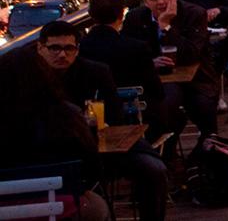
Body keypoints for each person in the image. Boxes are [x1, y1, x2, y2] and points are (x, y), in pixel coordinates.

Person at [34, 21, 171, 221]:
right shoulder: (29, 75)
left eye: (68, 48)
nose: (62, 55)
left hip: (103, 146)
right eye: (54, 48)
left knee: (154, 169)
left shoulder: (96, 72)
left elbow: (116, 118)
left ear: (77, 49)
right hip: (52, 153)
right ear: (40, 48)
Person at [0, 48, 110, 221]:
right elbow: (91, 168)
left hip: (6, 208)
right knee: (97, 206)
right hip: (63, 207)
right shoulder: (66, 116)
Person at [124, 0, 216, 140]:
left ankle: (206, 151)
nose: (160, 2)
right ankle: (166, 151)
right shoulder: (135, 18)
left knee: (204, 107)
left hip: (195, 79)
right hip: (156, 81)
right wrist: (150, 63)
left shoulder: (194, 13)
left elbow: (191, 54)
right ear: (146, 2)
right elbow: (129, 53)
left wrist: (165, 25)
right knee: (164, 106)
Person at [82, 0, 166, 137]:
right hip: (134, 119)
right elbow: (156, 90)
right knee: (175, 116)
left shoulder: (79, 48)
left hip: (92, 119)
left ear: (91, 14)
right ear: (122, 14)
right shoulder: (136, 47)